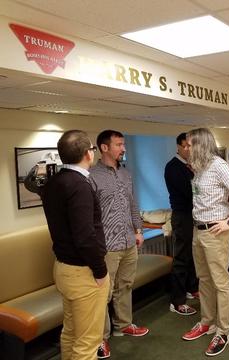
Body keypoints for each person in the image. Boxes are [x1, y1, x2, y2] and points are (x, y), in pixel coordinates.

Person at [41, 130, 109, 360]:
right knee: (88, 343)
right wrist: (100, 270)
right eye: (92, 149)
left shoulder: (54, 182)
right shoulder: (79, 185)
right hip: (84, 273)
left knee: (70, 333)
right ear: (87, 154)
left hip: (63, 269)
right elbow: (85, 237)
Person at [181, 128, 229, 357]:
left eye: (189, 145)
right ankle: (207, 322)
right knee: (204, 280)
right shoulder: (199, 168)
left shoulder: (219, 166)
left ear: (200, 144)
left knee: (220, 283)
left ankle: (223, 331)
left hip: (216, 232)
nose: (186, 148)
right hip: (198, 230)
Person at [89, 130, 148, 359]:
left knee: (125, 285)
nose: (123, 148)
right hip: (107, 246)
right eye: (118, 144)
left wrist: (139, 230)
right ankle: (100, 338)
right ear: (104, 148)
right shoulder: (91, 176)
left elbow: (133, 204)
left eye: (123, 144)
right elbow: (91, 215)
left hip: (128, 241)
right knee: (102, 293)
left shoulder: (126, 174)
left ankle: (123, 324)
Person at [164, 132, 198, 316]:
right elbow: (189, 193)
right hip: (182, 215)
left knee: (193, 254)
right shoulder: (173, 167)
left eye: (191, 146)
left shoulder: (191, 166)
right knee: (181, 257)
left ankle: (191, 287)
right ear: (178, 146)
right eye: (185, 146)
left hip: (193, 214)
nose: (188, 149)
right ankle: (177, 301)